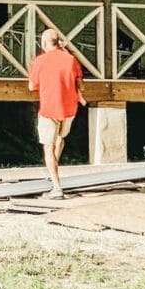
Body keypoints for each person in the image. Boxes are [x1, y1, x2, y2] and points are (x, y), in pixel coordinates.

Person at [26, 26, 84, 198]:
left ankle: (57, 188)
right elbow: (81, 85)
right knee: (60, 138)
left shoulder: (39, 61)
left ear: (44, 43)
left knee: (48, 148)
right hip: (69, 108)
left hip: (49, 108)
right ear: (58, 42)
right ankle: (53, 173)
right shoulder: (71, 59)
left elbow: (31, 87)